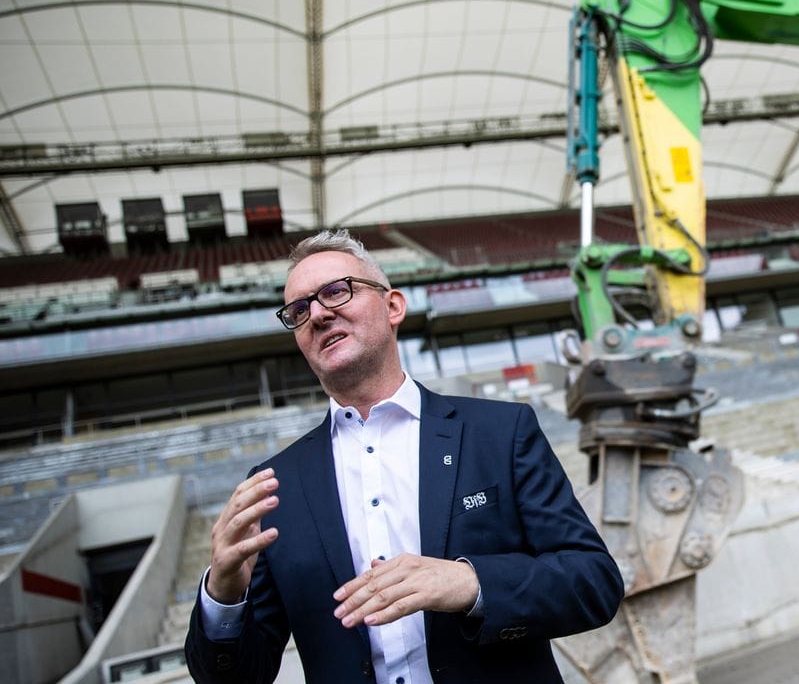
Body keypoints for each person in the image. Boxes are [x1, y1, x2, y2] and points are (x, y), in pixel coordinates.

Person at [185, 229, 623, 684]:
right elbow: (233, 679)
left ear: (393, 306)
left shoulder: (500, 432)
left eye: (336, 291)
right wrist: (223, 591)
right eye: (298, 310)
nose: (316, 313)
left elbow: (593, 581)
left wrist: (469, 584)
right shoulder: (277, 486)